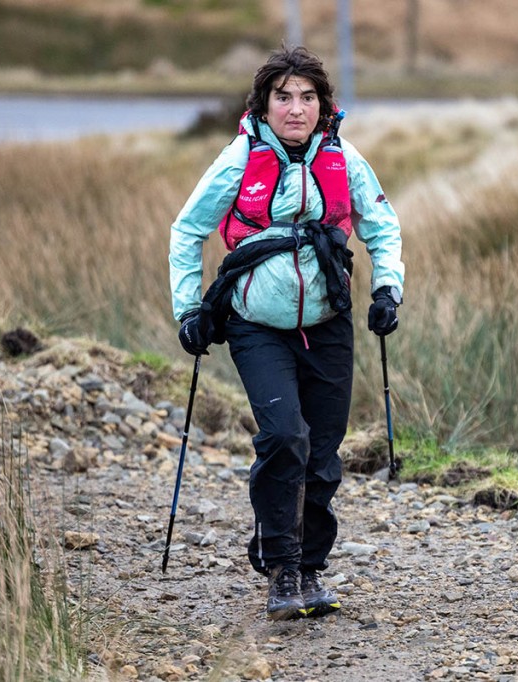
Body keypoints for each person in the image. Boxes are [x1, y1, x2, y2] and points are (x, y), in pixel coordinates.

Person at [168, 46, 404, 621]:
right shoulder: (238, 159)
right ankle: (281, 570)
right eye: (283, 97)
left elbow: (382, 225)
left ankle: (310, 567)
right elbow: (187, 231)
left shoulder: (342, 156)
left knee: (322, 452)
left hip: (327, 323)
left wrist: (386, 291)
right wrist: (189, 310)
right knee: (283, 437)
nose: (296, 109)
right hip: (255, 325)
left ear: (323, 104)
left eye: (307, 97)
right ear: (263, 105)